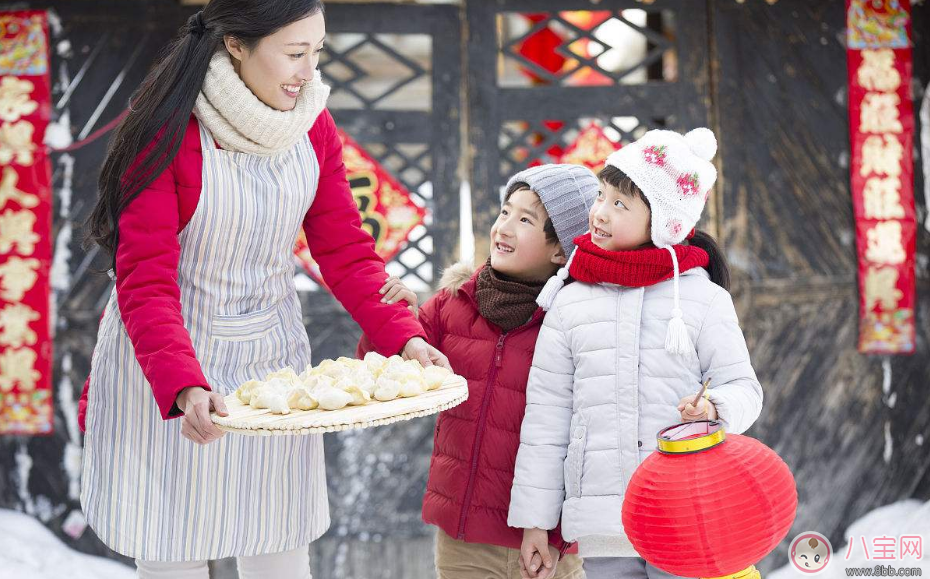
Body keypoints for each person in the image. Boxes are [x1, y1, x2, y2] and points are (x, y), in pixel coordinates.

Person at [78, 1, 448, 577]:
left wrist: (404, 337)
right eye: (295, 53)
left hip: (268, 367)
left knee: (278, 547)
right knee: (173, 549)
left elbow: (346, 250)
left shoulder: (312, 124)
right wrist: (182, 385)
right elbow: (145, 280)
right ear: (235, 45)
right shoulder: (169, 131)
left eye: (317, 51)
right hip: (167, 363)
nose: (309, 71)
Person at [508, 129, 764, 579]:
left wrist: (715, 407)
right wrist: (535, 523)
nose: (600, 213)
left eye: (620, 205)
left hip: (686, 511)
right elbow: (547, 418)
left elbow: (744, 388)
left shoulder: (702, 300)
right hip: (606, 519)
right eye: (602, 196)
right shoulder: (569, 300)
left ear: (663, 222)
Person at [361, 165, 598, 579]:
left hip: (546, 543)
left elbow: (588, 438)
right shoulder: (452, 304)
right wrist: (391, 321)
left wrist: (559, 537)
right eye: (505, 212)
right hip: (464, 539)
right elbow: (383, 375)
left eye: (525, 220)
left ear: (561, 250)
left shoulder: (574, 323)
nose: (504, 227)